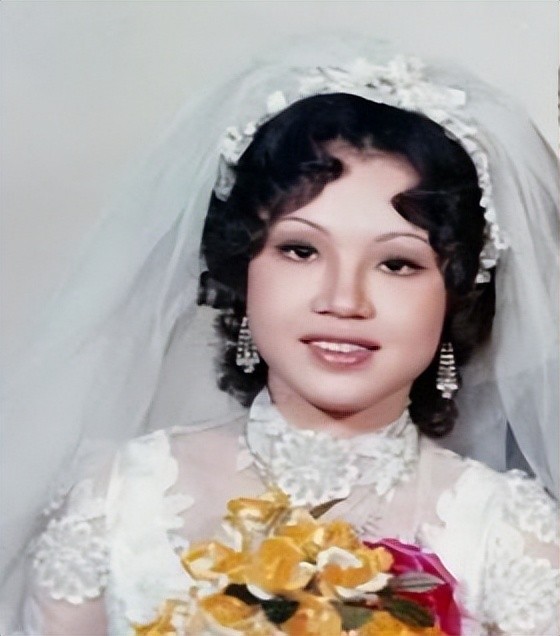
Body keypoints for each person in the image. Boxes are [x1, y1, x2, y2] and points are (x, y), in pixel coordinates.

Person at [1, 38, 558, 635]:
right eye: (300, 250)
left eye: (397, 264)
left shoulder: (511, 539)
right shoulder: (115, 501)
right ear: (243, 268)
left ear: (455, 293)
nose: (344, 300)